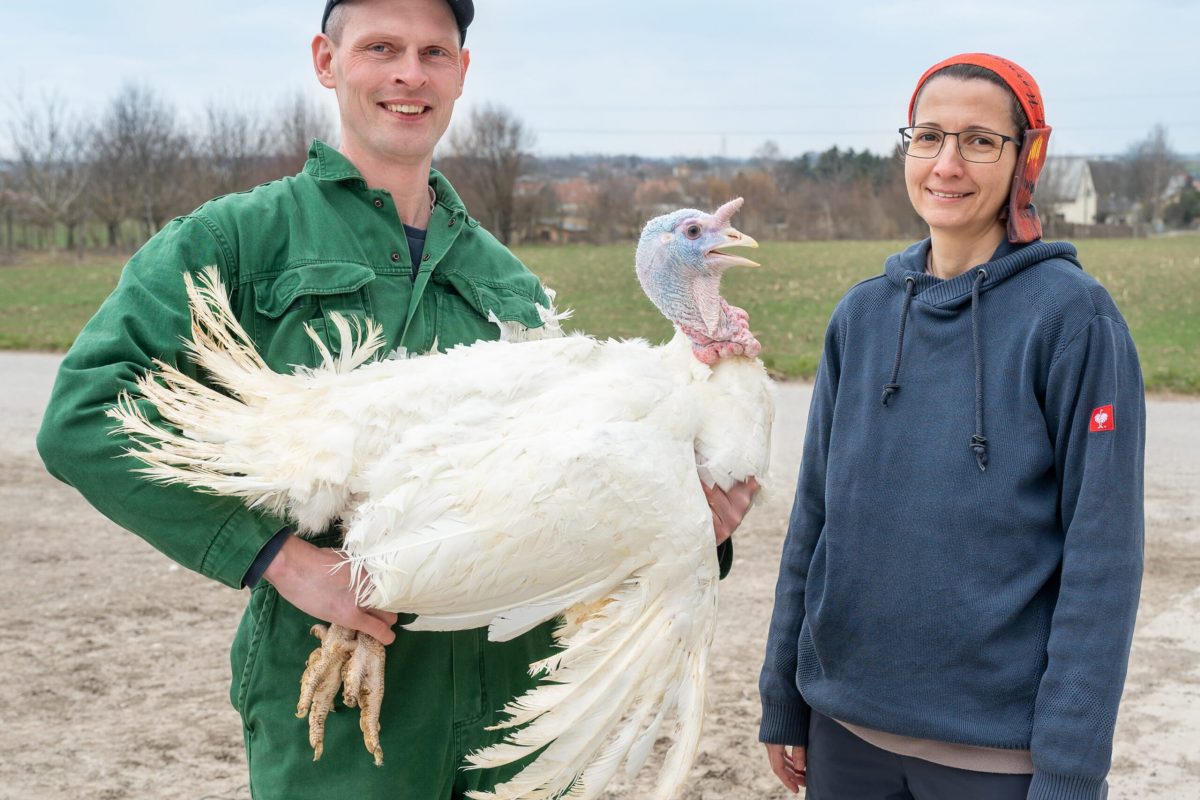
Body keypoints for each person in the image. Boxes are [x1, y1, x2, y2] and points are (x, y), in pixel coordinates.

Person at [36, 1, 755, 798]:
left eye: (433, 53)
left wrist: (698, 527)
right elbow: (81, 419)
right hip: (343, 712)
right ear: (326, 60)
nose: (410, 75)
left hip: (513, 714)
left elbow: (567, 501)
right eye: (381, 48)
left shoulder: (509, 283)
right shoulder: (233, 243)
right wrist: (277, 559)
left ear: (460, 73)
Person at [758, 53, 1144, 800]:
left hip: (993, 758)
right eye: (928, 136)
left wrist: (1071, 769)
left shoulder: (1073, 321)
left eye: (979, 140)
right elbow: (814, 519)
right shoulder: (861, 314)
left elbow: (1103, 563)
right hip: (846, 734)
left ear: (1025, 155)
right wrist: (785, 692)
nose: (947, 163)